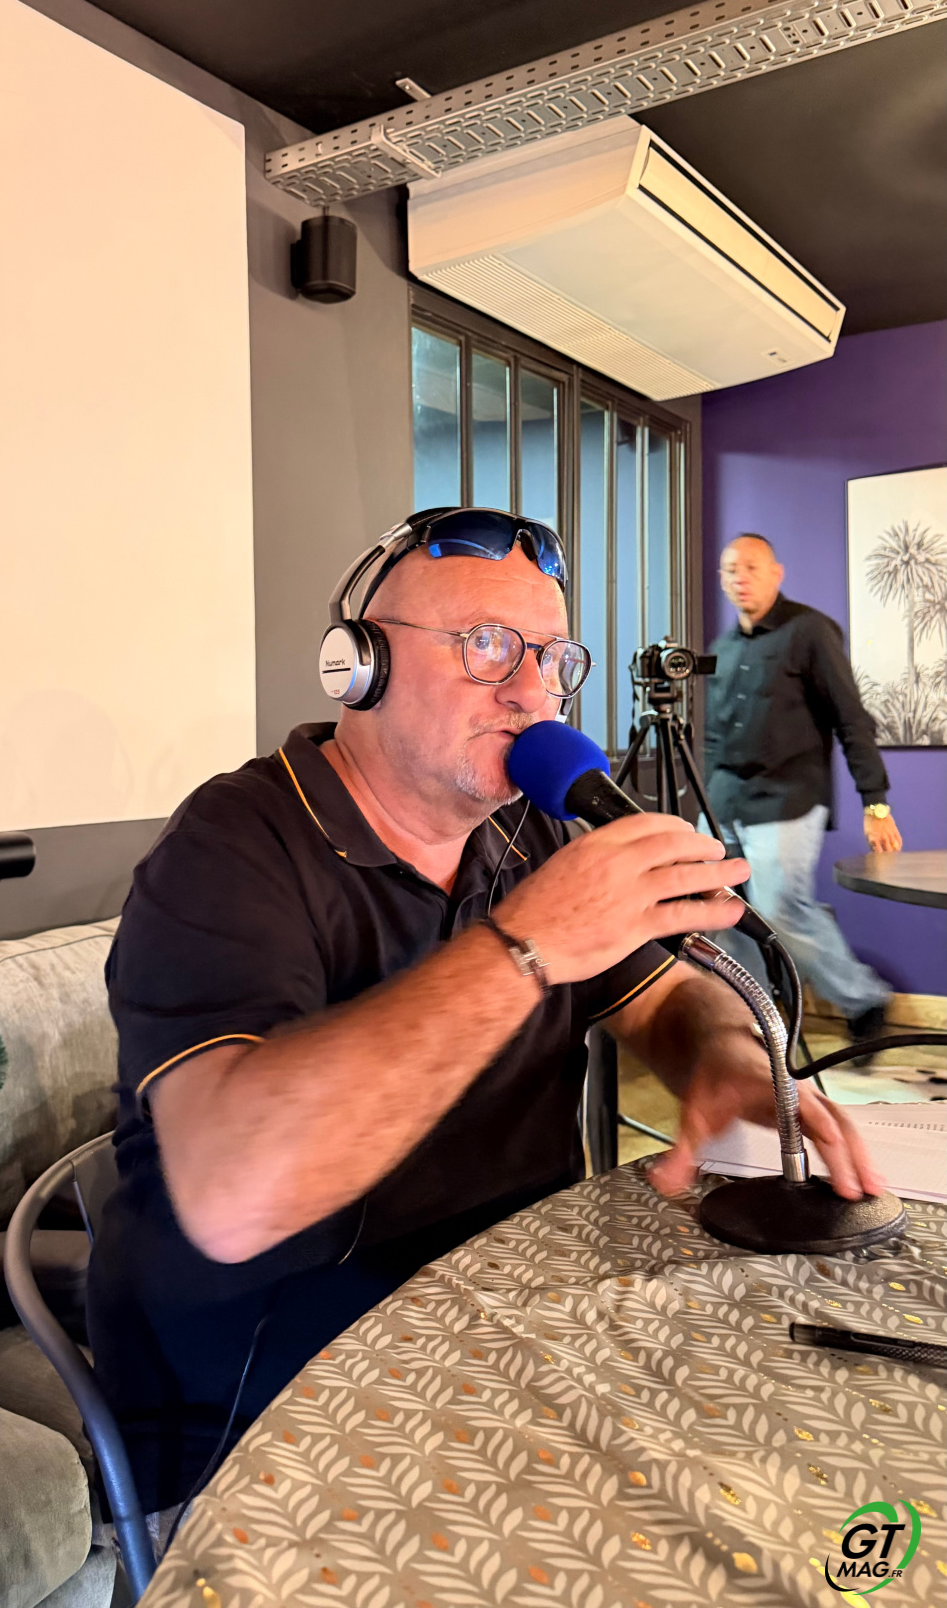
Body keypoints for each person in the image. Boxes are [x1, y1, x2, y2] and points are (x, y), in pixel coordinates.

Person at [88, 508, 880, 1512]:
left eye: (553, 657)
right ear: (359, 667)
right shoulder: (229, 847)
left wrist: (721, 1053)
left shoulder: (528, 831)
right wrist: (524, 948)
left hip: (503, 1324)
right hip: (267, 1403)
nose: (532, 692)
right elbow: (233, 1194)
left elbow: (667, 995)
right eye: (488, 645)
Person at [704, 532, 902, 1045]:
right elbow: (714, 735)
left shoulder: (810, 631)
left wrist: (875, 802)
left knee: (780, 911)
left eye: (751, 567)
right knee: (717, 911)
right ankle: (753, 1021)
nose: (740, 578)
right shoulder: (723, 648)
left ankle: (864, 999)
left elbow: (851, 719)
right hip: (724, 801)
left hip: (787, 799)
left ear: (777, 573)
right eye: (730, 569)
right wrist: (704, 798)